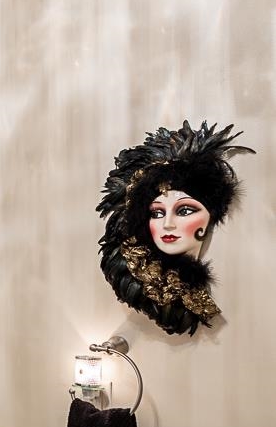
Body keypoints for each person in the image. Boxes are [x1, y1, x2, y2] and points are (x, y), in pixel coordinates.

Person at [97, 121, 253, 336]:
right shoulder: (138, 268)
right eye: (156, 213)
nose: (167, 224)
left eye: (185, 210)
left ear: (210, 218)